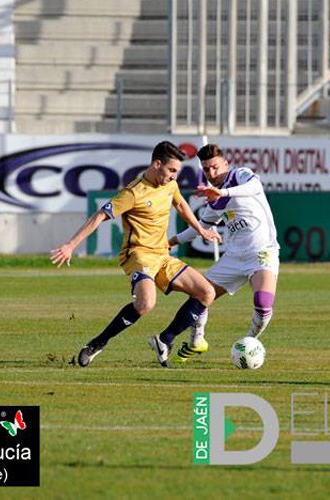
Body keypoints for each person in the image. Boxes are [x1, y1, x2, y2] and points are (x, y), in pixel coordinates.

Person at [50, 140, 221, 368]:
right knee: (145, 304)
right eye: (171, 170)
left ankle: (165, 341)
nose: (174, 176)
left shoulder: (170, 185)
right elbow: (100, 216)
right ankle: (97, 344)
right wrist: (71, 245)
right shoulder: (133, 193)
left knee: (206, 293)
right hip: (138, 254)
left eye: (177, 172)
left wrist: (201, 230)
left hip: (162, 255)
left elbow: (180, 205)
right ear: (157, 164)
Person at [167, 143, 279, 362]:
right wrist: (172, 241)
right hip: (234, 257)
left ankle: (248, 343)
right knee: (200, 293)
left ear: (226, 164)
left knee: (263, 302)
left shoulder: (240, 176)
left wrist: (223, 191)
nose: (212, 173)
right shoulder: (215, 200)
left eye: (215, 167)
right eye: (207, 169)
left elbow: (255, 186)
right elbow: (201, 227)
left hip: (262, 252)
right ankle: (197, 341)